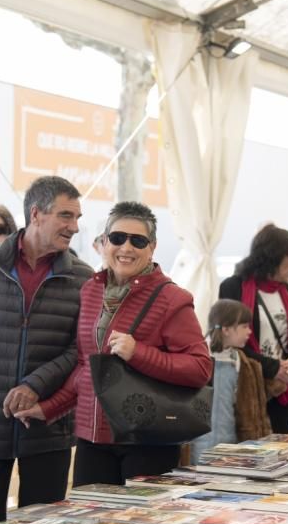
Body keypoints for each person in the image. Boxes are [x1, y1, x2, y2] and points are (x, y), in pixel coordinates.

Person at [13, 202, 211, 485]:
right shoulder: (91, 290)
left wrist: (138, 353)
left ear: (152, 247)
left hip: (147, 440)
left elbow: (200, 368)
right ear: (104, 242)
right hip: (92, 439)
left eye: (138, 241)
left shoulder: (172, 299)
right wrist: (49, 408)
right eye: (118, 238)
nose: (126, 248)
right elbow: (87, 367)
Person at [0, 176, 93, 524]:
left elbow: (82, 351)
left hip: (48, 428)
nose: (74, 226)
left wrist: (35, 385)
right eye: (66, 215)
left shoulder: (83, 278)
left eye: (77, 217)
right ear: (36, 214)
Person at [219, 224, 288, 434]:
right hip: (248, 387)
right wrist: (272, 367)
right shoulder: (234, 287)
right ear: (273, 257)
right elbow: (229, 342)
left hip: (285, 389)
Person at [189, 300, 269, 463]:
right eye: (244, 326)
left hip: (231, 449)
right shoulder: (196, 359)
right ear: (226, 329)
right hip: (197, 449)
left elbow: (251, 406)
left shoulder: (243, 364)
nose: (249, 332)